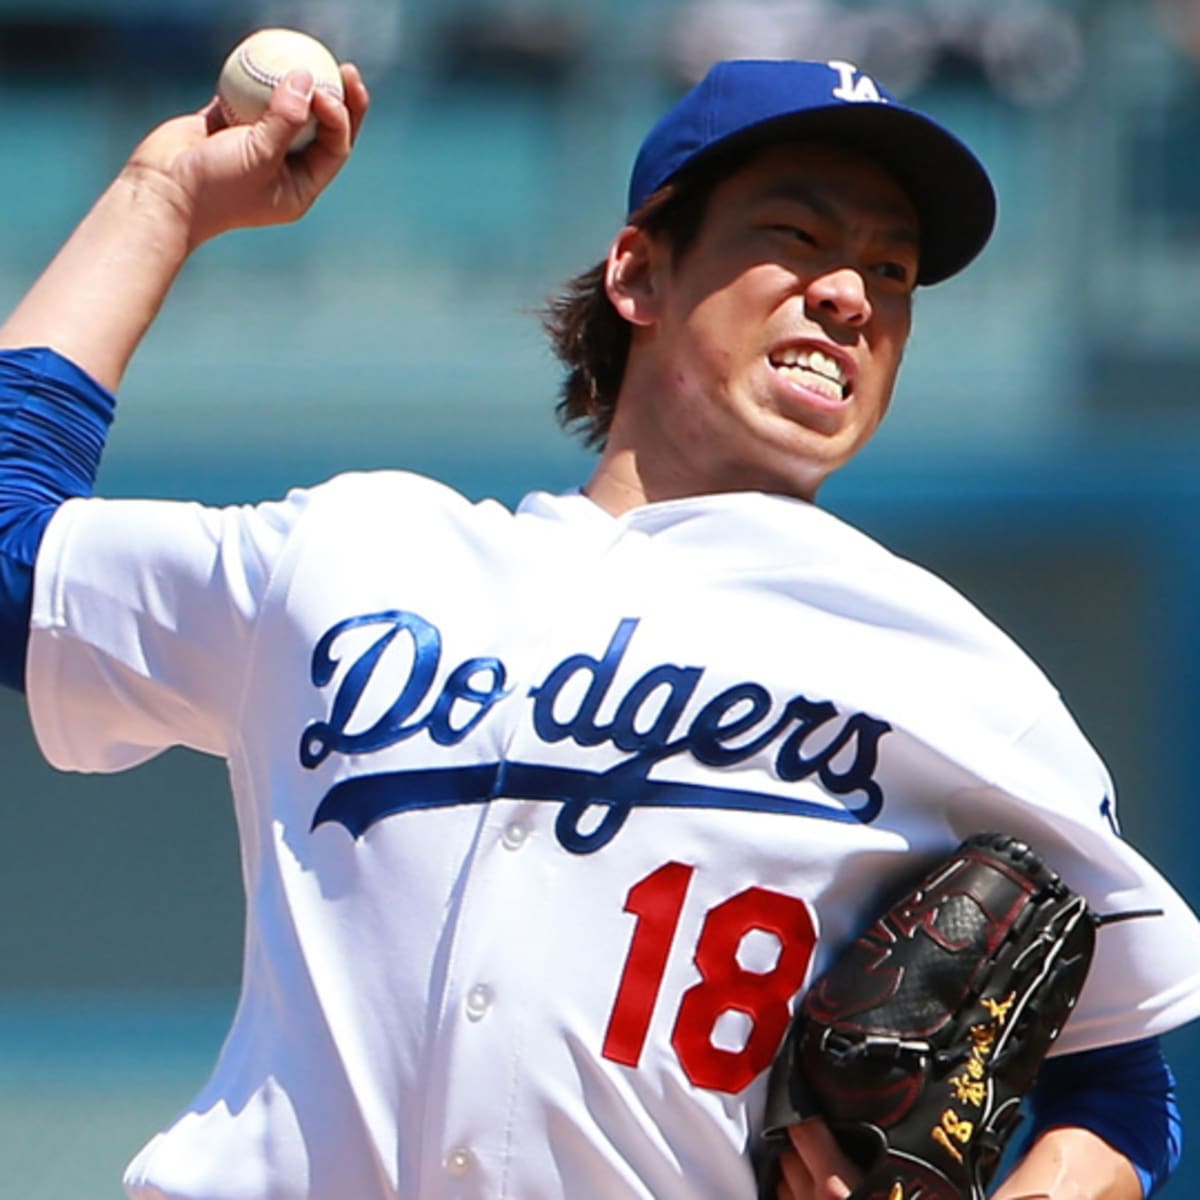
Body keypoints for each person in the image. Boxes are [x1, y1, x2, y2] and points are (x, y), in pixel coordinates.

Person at [0, 51, 1195, 1200]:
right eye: (797, 237)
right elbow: (15, 556)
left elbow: (1126, 1098)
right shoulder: (357, 554)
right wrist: (160, 198)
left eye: (891, 272)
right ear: (639, 276)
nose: (849, 293)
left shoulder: (958, 678)